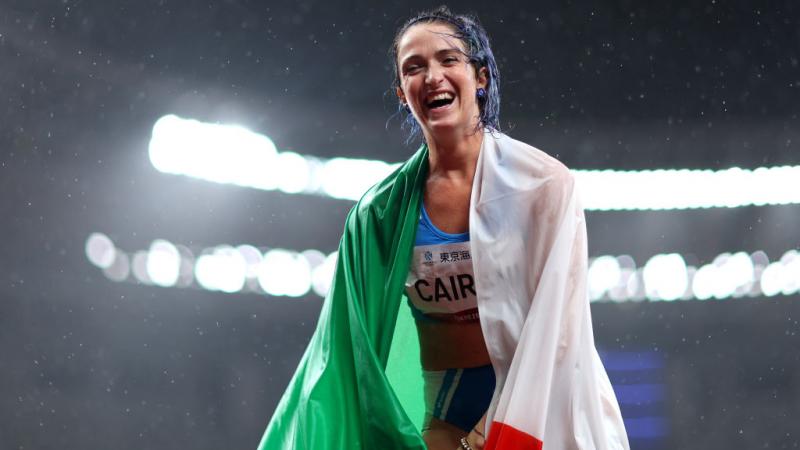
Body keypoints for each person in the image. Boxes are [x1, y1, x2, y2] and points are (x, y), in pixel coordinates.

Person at [259, 7, 629, 450]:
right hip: (447, 413)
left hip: (543, 406)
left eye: (448, 59)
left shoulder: (545, 187)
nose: (431, 76)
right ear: (402, 93)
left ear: (481, 77)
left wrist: (490, 434)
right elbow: (341, 348)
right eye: (414, 68)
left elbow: (557, 329)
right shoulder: (379, 215)